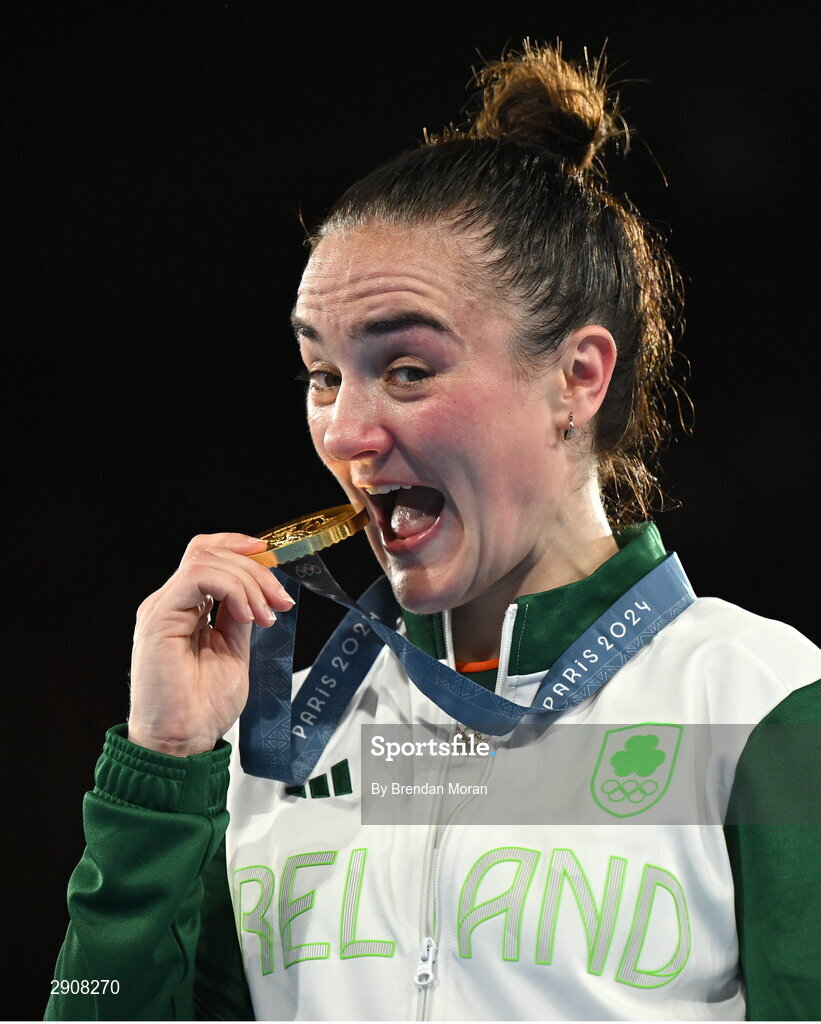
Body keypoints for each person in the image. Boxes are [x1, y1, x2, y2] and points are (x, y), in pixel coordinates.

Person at [46, 41, 821, 1022]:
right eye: (321, 375)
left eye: (406, 368)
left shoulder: (759, 703)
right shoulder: (269, 744)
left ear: (575, 377)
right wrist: (162, 762)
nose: (346, 432)